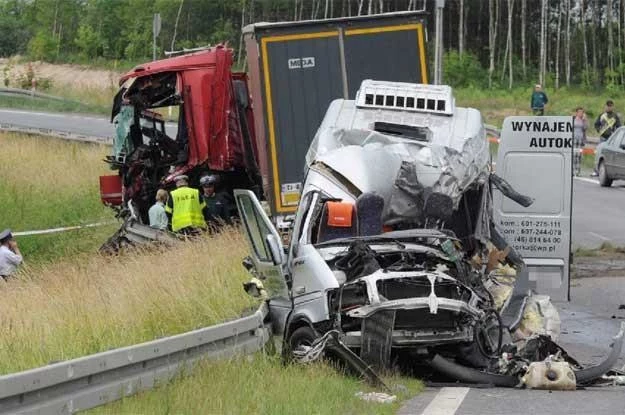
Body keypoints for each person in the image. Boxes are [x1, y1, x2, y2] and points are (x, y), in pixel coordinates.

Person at [593, 100, 622, 176]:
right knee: (599, 153)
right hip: (603, 137)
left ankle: (608, 170)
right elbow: (596, 124)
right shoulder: (602, 115)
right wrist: (599, 130)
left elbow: (619, 126)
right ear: (605, 106)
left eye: (610, 106)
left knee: (609, 154)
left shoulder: (615, 116)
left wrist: (615, 134)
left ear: (612, 107)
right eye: (608, 106)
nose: (609, 108)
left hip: (611, 138)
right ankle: (596, 170)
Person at [572, 107, 588, 177]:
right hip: (574, 139)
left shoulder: (583, 120)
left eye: (582, 112)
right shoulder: (573, 119)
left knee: (579, 155)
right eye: (579, 112)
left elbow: (585, 128)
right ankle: (572, 170)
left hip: (580, 139)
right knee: (573, 155)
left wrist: (585, 120)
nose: (581, 113)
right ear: (577, 113)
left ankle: (578, 171)